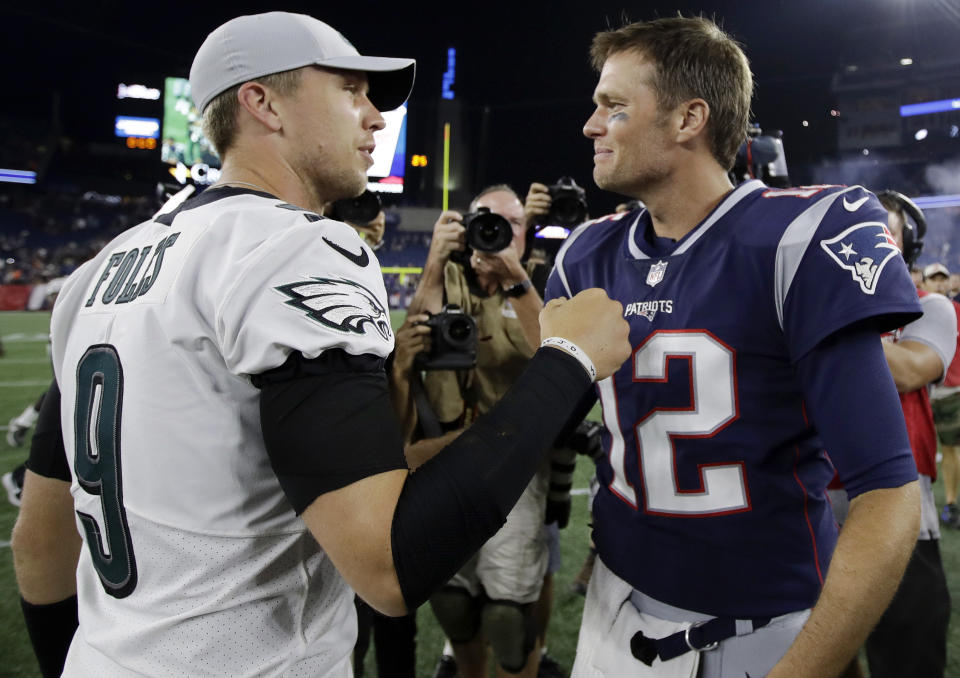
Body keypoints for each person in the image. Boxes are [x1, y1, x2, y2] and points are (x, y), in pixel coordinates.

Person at [10, 12, 631, 678]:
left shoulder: (102, 269)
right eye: (350, 91)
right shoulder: (297, 247)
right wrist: (567, 363)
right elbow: (388, 565)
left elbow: (41, 546)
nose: (373, 118)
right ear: (262, 103)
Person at [548, 16, 924, 678]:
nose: (591, 125)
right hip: (615, 608)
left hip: (760, 632)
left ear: (687, 118)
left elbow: (888, 489)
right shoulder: (588, 252)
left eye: (613, 106)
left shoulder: (799, 238)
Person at [411, 185, 554, 678]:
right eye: (488, 221)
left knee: (507, 614)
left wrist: (516, 279)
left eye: (512, 224)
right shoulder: (447, 275)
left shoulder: (537, 280)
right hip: (444, 460)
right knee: (451, 599)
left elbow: (555, 354)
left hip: (510, 466)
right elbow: (415, 342)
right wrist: (434, 259)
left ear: (524, 231)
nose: (499, 233)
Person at [861, 196, 956, 678]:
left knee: (909, 653)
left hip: (903, 510)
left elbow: (909, 371)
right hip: (813, 507)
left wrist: (826, 318)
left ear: (908, 245)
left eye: (883, 230)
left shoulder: (930, 306)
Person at [920, 263, 960, 529]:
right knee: (917, 451)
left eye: (941, 279)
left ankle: (950, 503)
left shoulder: (957, 312)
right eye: (932, 279)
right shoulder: (912, 310)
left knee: (950, 449)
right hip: (918, 393)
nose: (938, 283)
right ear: (923, 283)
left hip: (950, 392)